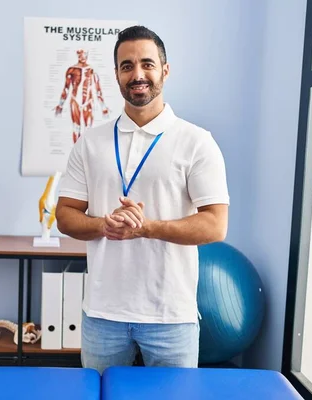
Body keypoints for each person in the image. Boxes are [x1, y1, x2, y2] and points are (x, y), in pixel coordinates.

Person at [55, 25, 230, 374]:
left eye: (147, 64)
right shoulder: (91, 143)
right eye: (127, 66)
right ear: (117, 75)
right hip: (103, 314)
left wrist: (147, 228)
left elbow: (215, 224)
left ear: (165, 70)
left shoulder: (197, 141)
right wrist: (103, 224)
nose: (138, 75)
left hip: (170, 316)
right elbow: (65, 215)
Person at [54, 48, 110, 144]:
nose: (83, 56)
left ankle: (87, 155)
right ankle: (76, 154)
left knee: (88, 129)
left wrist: (103, 107)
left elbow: (98, 89)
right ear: (77, 55)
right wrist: (60, 105)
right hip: (75, 101)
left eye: (85, 54)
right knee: (76, 127)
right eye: (80, 54)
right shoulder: (71, 70)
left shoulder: (92, 69)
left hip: (88, 101)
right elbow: (66, 88)